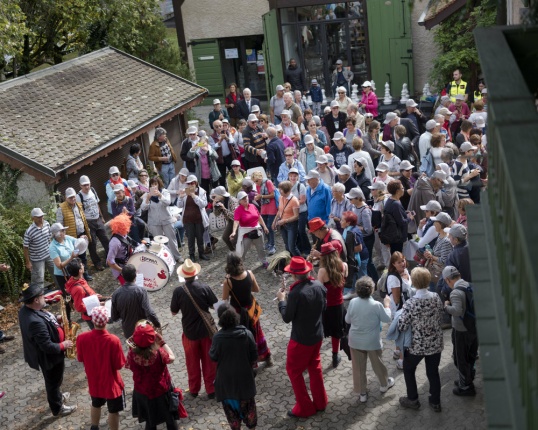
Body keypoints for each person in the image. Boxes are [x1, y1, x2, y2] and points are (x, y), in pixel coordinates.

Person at [276, 257, 328, 418]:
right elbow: (324, 307)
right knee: (315, 367)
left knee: (294, 371)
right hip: (317, 335)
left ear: (293, 275)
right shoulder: (319, 286)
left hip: (301, 340)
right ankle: (320, 401)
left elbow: (286, 317)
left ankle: (305, 407)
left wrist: (281, 301)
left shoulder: (295, 294)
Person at [18, 282, 77, 417]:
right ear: (36, 300)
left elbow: (45, 318)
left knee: (55, 380)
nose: (45, 297)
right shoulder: (34, 322)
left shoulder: (28, 309)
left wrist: (56, 318)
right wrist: (64, 345)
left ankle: (58, 395)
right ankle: (57, 408)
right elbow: (47, 346)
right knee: (53, 382)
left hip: (51, 355)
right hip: (50, 358)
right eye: (42, 296)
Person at [398, 267, 444, 412]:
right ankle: (435, 401)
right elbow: (440, 315)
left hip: (416, 346)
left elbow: (402, 325)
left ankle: (413, 399)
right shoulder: (436, 297)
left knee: (408, 369)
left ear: (415, 283)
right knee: (433, 372)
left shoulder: (410, 303)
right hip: (435, 343)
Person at [171, 259, 218, 398]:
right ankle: (211, 389)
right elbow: (216, 306)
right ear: (195, 274)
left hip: (189, 333)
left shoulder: (178, 291)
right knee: (209, 361)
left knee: (192, 363)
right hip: (206, 331)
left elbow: (173, 312)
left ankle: (194, 389)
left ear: (183, 276)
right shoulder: (204, 287)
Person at [209, 303, 258, 430]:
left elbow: (213, 356)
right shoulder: (246, 334)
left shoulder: (218, 338)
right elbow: (254, 356)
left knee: (233, 419)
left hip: (226, 385)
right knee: (250, 414)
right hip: (245, 382)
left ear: (221, 319)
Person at [345, 277, 394, 403]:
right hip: (372, 341)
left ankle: (362, 393)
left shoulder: (353, 302)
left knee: (359, 368)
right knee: (378, 364)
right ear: (372, 290)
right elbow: (387, 318)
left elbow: (347, 320)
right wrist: (387, 305)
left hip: (355, 341)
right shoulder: (376, 305)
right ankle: (384, 384)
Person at [76, 306, 125, 430]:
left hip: (94, 381)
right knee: (113, 411)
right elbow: (119, 365)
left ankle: (94, 427)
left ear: (92, 320)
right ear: (106, 320)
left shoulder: (81, 338)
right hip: (111, 382)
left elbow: (80, 358)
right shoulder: (114, 340)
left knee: (96, 404)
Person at [126, 322, 179, 430]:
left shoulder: (132, 354)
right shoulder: (159, 353)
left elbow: (130, 367)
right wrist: (162, 342)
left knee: (150, 421)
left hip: (142, 393)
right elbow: (172, 357)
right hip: (161, 391)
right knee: (170, 419)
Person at [222, 253, 272, 366]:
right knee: (258, 334)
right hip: (251, 310)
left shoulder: (228, 281)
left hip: (238, 314)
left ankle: (251, 363)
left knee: (243, 337)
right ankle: (266, 356)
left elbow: (224, 298)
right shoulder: (249, 273)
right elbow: (257, 289)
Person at [443, 266, 478, 396]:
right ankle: (468, 378)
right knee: (471, 355)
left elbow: (457, 311)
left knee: (460, 358)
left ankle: (466, 387)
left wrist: (446, 307)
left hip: (461, 330)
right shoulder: (470, 285)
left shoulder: (455, 292)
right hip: (474, 327)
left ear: (447, 280)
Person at [110, 264, 161, 338]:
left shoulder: (116, 294)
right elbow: (149, 311)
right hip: (143, 330)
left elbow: (114, 317)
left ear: (123, 276)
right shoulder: (141, 291)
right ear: (135, 275)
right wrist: (157, 324)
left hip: (129, 333)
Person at [317, 242, 347, 368]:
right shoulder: (344, 265)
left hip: (326, 307)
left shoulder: (322, 271)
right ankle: (335, 356)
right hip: (339, 305)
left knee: (320, 332)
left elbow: (318, 289)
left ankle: (315, 356)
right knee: (336, 333)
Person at [140, 176, 182, 263]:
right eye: (152, 185)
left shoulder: (165, 192)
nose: (154, 186)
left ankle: (177, 256)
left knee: (171, 239)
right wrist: (147, 199)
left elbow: (168, 202)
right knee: (158, 242)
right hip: (154, 222)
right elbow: (143, 208)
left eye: (155, 184)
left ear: (159, 184)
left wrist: (160, 195)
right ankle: (164, 259)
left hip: (166, 219)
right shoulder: (147, 195)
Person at [56, 187, 93, 281]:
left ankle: (85, 274)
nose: (72, 199)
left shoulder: (79, 205)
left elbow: (83, 219)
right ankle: (77, 277)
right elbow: (59, 225)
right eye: (70, 197)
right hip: (71, 237)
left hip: (81, 234)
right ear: (66, 198)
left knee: (83, 255)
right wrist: (63, 237)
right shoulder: (61, 209)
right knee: (74, 258)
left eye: (73, 197)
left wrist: (86, 231)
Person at [230, 191, 270, 269]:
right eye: (243, 198)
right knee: (242, 251)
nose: (245, 199)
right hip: (246, 234)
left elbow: (259, 217)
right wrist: (234, 232)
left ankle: (264, 261)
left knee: (261, 248)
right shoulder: (238, 210)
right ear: (239, 201)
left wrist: (264, 227)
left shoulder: (252, 206)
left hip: (257, 230)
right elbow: (236, 222)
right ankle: (239, 266)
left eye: (246, 197)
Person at [77, 176, 109, 271]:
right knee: (92, 243)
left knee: (105, 239)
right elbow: (79, 212)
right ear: (80, 185)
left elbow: (97, 204)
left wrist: (102, 217)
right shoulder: (79, 196)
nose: (86, 187)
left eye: (88, 184)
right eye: (84, 185)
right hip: (89, 222)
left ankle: (110, 258)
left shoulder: (93, 191)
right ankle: (97, 262)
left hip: (97, 219)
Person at [176, 175, 210, 262]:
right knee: (190, 238)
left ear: (196, 183)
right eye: (189, 183)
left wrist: (194, 196)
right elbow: (179, 205)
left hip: (199, 218)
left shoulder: (202, 192)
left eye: (192, 183)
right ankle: (192, 255)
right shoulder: (185, 191)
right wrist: (180, 197)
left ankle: (201, 253)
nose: (191, 185)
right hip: (188, 218)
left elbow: (203, 204)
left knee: (200, 237)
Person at [23, 208, 57, 290]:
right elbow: (25, 247)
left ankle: (61, 290)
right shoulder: (29, 231)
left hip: (49, 254)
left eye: (42, 216)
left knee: (56, 272)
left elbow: (50, 238)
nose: (41, 218)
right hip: (37, 259)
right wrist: (28, 262)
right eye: (38, 217)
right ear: (33, 218)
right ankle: (38, 297)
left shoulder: (47, 224)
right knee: (39, 278)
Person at [65, 259, 102, 329]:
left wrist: (93, 297)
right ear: (80, 271)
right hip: (91, 316)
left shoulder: (75, 279)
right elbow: (79, 307)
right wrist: (95, 303)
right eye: (82, 265)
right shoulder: (78, 289)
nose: (83, 265)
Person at [383, 180, 413, 254]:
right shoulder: (396, 204)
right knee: (397, 256)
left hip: (392, 234)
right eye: (402, 188)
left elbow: (395, 215)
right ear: (397, 191)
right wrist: (410, 218)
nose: (404, 190)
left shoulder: (390, 200)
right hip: (397, 236)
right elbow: (401, 222)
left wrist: (404, 213)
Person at [273, 181, 300, 256]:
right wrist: (274, 221)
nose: (279, 191)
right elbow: (279, 211)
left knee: (292, 247)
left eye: (280, 189)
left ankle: (302, 263)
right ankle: (291, 262)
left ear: (285, 190)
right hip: (283, 225)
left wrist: (285, 220)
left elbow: (296, 216)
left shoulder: (294, 200)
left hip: (291, 225)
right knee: (287, 246)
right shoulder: (281, 197)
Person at [106, 214, 133, 285]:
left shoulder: (124, 235)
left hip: (126, 264)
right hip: (120, 269)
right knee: (127, 286)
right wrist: (122, 270)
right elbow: (110, 261)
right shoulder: (115, 242)